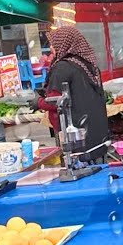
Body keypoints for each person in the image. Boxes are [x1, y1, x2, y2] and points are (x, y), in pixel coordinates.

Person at [40, 26, 110, 157]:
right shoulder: (88, 65)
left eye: (53, 44)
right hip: (98, 134)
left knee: (81, 170)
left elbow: (55, 101)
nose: (51, 48)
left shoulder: (63, 67)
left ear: (64, 44)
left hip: (77, 135)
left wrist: (38, 102)